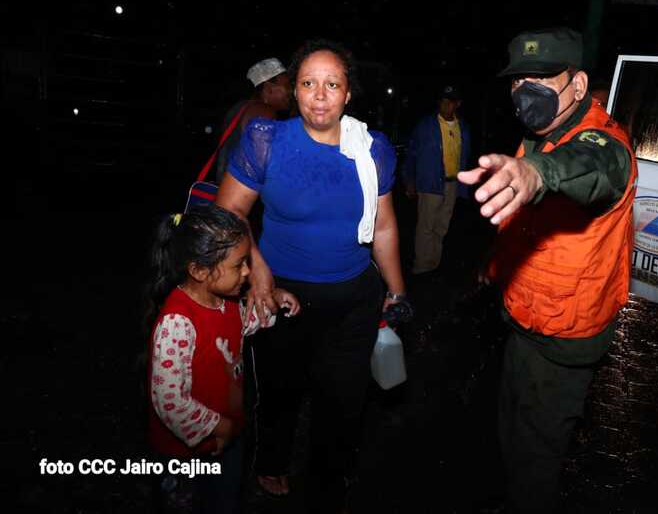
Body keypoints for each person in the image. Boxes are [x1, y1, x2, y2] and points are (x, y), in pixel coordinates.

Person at [216, 39, 406, 512]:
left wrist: (397, 290)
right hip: (282, 295)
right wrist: (259, 270)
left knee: (343, 402)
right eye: (308, 83)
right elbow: (230, 211)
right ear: (294, 90)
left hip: (353, 300)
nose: (319, 95)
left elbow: (383, 227)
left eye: (332, 85)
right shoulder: (265, 141)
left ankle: (328, 481)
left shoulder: (373, 150)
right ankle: (272, 462)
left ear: (348, 93)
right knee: (279, 392)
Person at [458, 27, 638, 513]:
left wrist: (538, 173)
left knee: (537, 454)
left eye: (540, 79)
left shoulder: (603, 141)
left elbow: (593, 167)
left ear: (577, 86)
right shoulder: (536, 139)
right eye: (518, 81)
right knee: (512, 428)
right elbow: (523, 221)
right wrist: (494, 261)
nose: (525, 92)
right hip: (524, 317)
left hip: (565, 334)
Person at [144, 205, 300, 514]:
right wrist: (220, 427)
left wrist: (273, 299)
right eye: (239, 264)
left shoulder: (226, 301)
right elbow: (169, 400)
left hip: (227, 437)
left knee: (224, 502)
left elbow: (246, 323)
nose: (248, 272)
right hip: (186, 454)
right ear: (200, 271)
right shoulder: (177, 323)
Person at [402, 85, 472, 276]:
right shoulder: (426, 125)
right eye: (443, 101)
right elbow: (412, 153)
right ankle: (421, 266)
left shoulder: (462, 127)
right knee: (426, 226)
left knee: (442, 226)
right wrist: (409, 180)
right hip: (429, 182)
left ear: (458, 104)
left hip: (452, 184)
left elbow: (464, 156)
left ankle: (433, 264)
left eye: (450, 101)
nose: (446, 105)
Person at [215, 57, 292, 181]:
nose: (292, 92)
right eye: (287, 86)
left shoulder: (241, 107)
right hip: (243, 191)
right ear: (269, 89)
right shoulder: (264, 111)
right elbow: (263, 167)